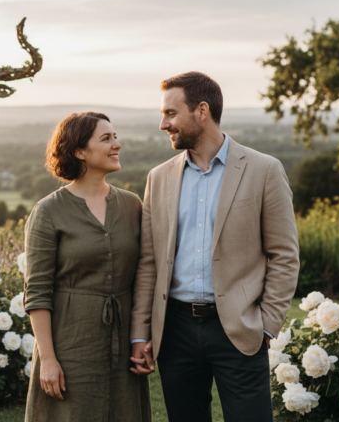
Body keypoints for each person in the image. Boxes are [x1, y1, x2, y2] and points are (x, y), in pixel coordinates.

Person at [127, 72, 299, 422]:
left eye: (171, 113)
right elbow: (149, 263)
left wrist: (266, 326)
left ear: (201, 111)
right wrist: (140, 333)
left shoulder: (264, 170)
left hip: (239, 329)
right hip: (174, 332)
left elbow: (284, 255)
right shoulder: (158, 178)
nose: (163, 124)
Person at [22, 112, 151, 422]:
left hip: (122, 344)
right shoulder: (48, 211)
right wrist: (48, 360)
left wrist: (140, 338)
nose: (116, 145)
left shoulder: (132, 205)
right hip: (71, 342)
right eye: (106, 139)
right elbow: (37, 293)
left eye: (115, 137)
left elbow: (145, 275)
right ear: (79, 151)